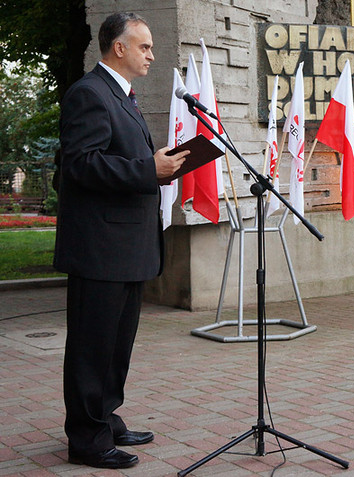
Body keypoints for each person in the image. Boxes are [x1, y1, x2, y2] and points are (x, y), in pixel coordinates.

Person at [54, 12, 189, 469]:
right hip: (100, 248)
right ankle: (86, 439)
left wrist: (158, 166)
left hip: (128, 246)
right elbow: (79, 165)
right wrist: (147, 170)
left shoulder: (122, 97)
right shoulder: (89, 94)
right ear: (119, 48)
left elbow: (120, 158)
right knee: (93, 347)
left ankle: (106, 419)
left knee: (116, 344)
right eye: (145, 46)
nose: (151, 54)